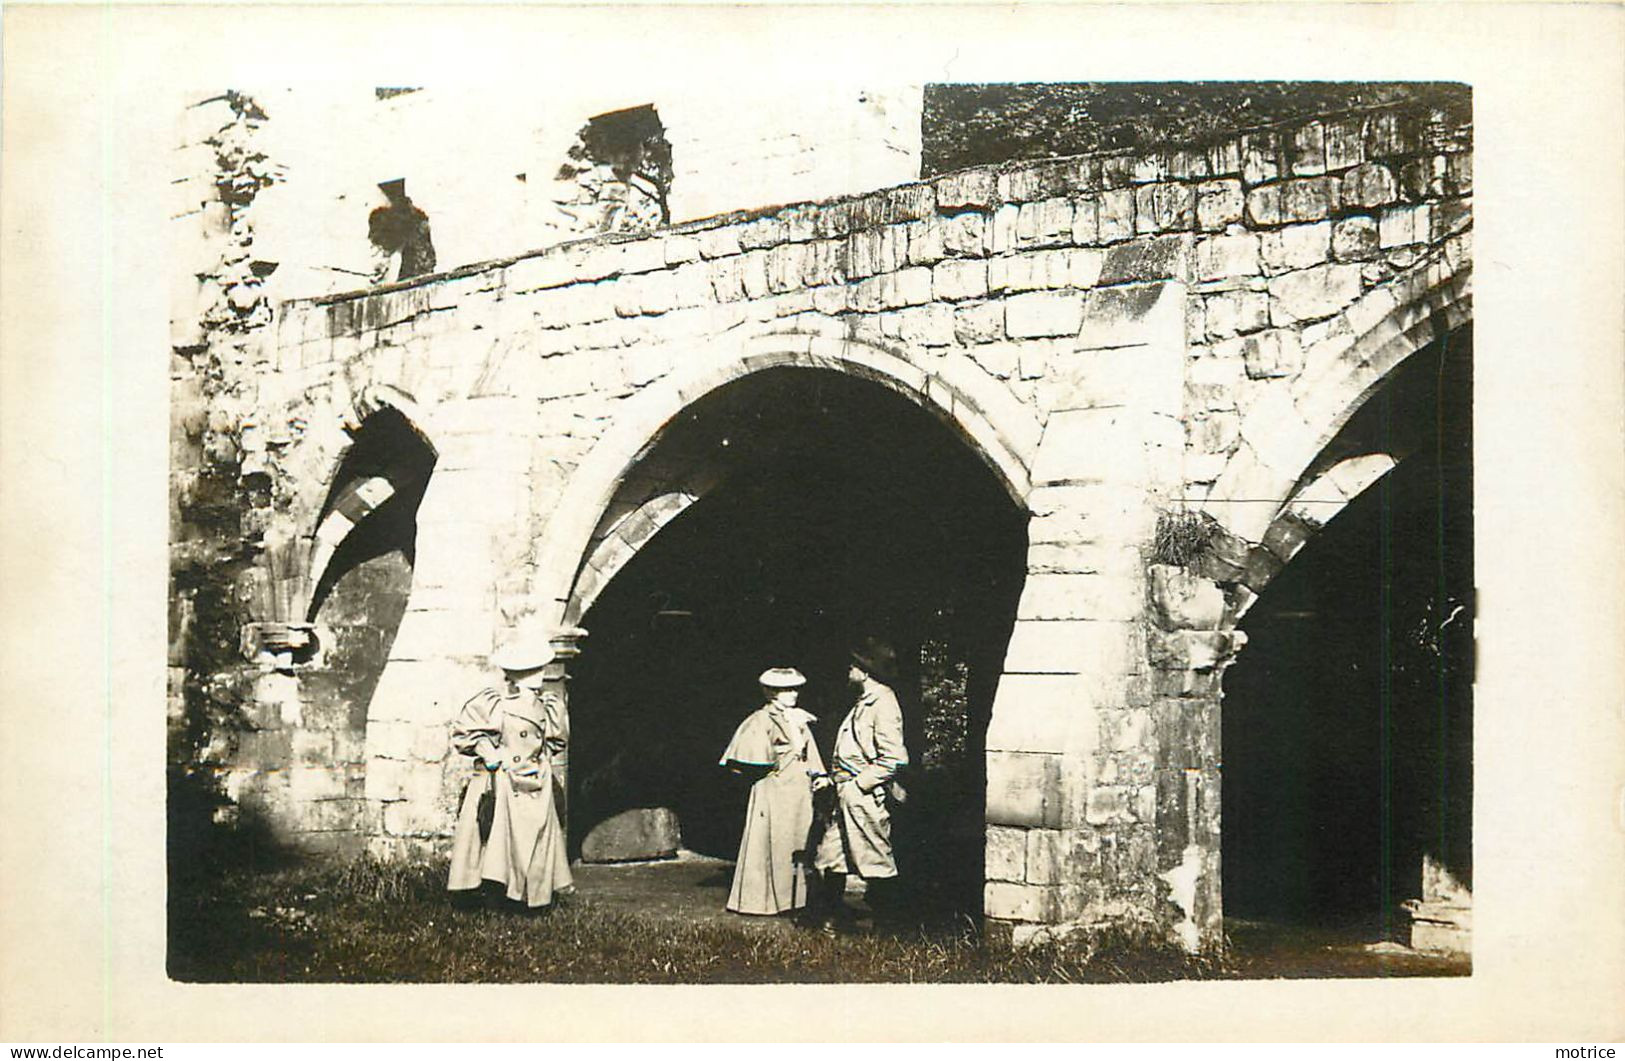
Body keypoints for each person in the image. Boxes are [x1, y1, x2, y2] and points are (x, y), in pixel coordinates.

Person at [446, 631, 572, 910]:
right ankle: (497, 897)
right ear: (518, 674)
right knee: (501, 841)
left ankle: (533, 897)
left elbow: (554, 740)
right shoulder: (496, 705)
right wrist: (490, 753)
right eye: (533, 669)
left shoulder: (548, 706)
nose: (540, 674)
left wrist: (541, 761)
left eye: (540, 668)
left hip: (535, 782)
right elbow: (466, 734)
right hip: (505, 782)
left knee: (535, 838)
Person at [812, 637, 910, 930]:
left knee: (875, 858)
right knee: (831, 857)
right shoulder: (862, 701)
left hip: (863, 795)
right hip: (844, 793)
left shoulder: (883, 702)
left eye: (854, 665)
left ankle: (886, 928)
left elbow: (893, 758)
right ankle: (832, 921)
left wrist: (859, 785)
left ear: (866, 671)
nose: (849, 669)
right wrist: (832, 780)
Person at [718, 667, 830, 916]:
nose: (793, 694)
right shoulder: (761, 719)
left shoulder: (799, 718)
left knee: (798, 840)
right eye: (785, 690)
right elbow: (750, 757)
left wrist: (819, 774)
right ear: (771, 693)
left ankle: (796, 899)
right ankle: (765, 901)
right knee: (774, 840)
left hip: (799, 789)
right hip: (774, 788)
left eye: (795, 689)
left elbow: (809, 752)